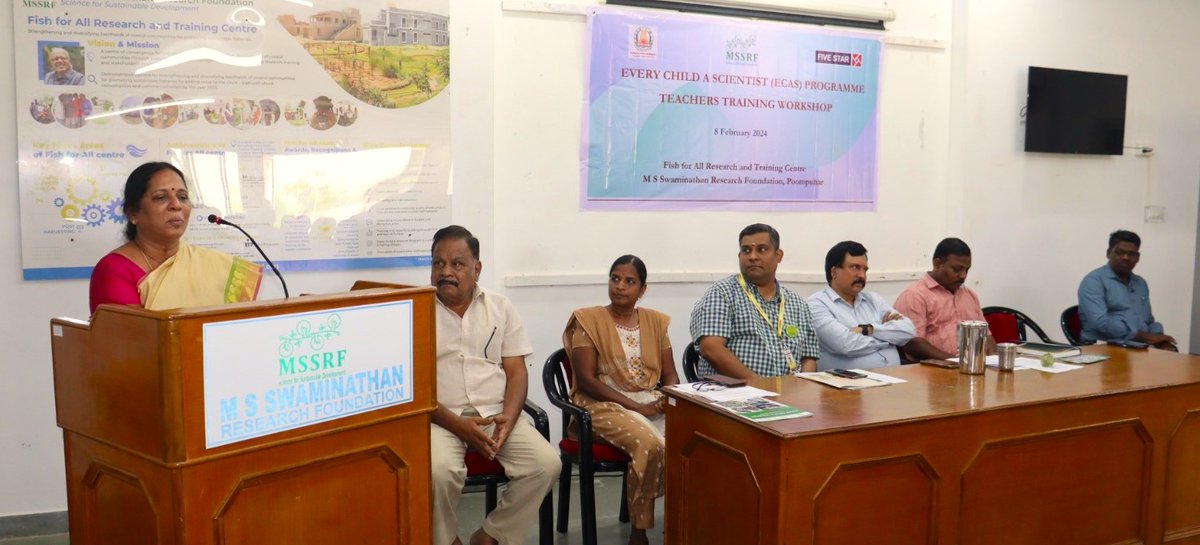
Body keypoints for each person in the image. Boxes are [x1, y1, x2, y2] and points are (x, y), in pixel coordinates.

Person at [428, 225, 559, 545]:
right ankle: (446, 541)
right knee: (438, 473)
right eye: (438, 263)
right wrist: (458, 425)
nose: (446, 272)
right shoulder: (416, 311)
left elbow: (516, 373)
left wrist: (508, 421)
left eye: (456, 264)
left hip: (493, 413)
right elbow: (414, 388)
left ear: (477, 268)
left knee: (545, 464)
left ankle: (490, 536)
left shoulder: (501, 307)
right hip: (439, 416)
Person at [562, 255, 678, 545]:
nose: (620, 287)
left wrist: (666, 400)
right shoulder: (588, 320)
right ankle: (639, 531)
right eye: (615, 279)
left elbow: (671, 375)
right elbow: (586, 380)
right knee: (649, 444)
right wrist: (637, 408)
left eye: (629, 281)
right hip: (599, 405)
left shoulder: (656, 322)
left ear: (643, 289)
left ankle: (681, 521)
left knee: (696, 438)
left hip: (650, 398)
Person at [88, 162, 262, 314]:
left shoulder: (210, 263)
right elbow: (131, 340)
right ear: (133, 213)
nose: (176, 205)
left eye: (182, 197)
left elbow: (235, 328)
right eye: (161, 197)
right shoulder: (114, 269)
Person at [689, 223, 820, 378]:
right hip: (735, 394)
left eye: (761, 249)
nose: (752, 256)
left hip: (789, 394)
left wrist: (801, 387)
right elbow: (711, 349)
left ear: (778, 256)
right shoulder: (723, 292)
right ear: (739, 256)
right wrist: (761, 386)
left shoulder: (797, 303)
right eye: (746, 251)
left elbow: (809, 357)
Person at [807, 241, 915, 371]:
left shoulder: (874, 299)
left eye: (865, 269)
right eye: (854, 267)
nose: (862, 275)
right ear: (834, 272)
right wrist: (890, 339)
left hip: (895, 379)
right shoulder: (816, 304)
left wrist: (870, 329)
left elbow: (908, 331)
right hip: (847, 386)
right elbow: (846, 344)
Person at [893, 237, 991, 360]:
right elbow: (912, 343)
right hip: (931, 371)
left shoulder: (969, 295)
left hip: (970, 368)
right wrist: (955, 362)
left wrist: (995, 362)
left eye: (967, 270)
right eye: (957, 269)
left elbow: (986, 335)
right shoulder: (914, 296)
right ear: (937, 264)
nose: (963, 276)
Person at [1077, 230, 1175, 349]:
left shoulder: (1140, 283)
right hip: (1104, 348)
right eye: (1119, 252)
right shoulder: (1094, 281)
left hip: (1138, 347)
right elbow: (1101, 323)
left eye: (1131, 254)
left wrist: (1160, 338)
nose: (1125, 257)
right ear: (1108, 253)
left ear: (1137, 257)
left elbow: (1148, 320)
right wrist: (1147, 338)